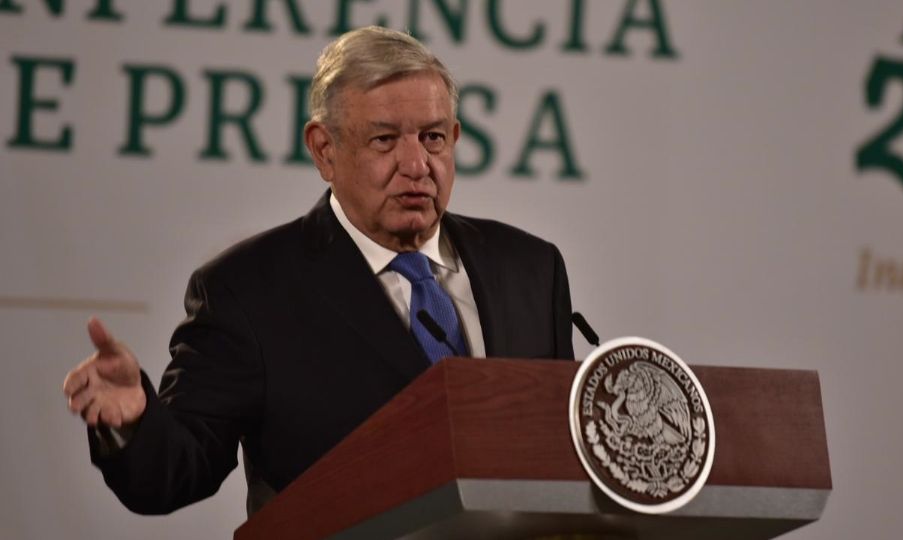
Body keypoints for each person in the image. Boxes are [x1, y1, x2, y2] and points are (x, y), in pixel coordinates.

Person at [62, 26, 574, 516]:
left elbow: (560, 451)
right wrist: (133, 420)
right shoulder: (248, 291)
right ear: (324, 150)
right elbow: (177, 472)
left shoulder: (530, 267)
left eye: (433, 137)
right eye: (384, 140)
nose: (417, 163)